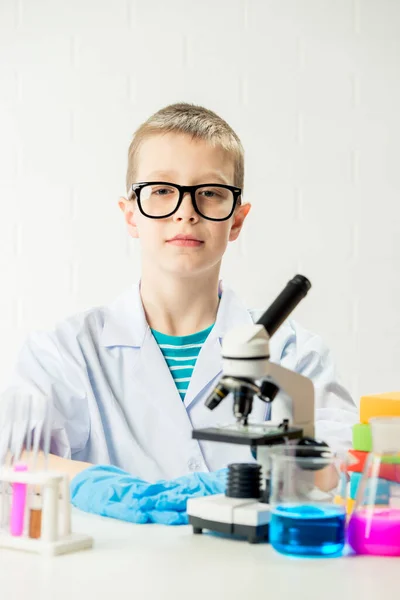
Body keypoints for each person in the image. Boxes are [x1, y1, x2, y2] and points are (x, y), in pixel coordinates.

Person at [8, 103, 357, 482]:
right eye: (161, 189)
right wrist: (104, 488)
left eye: (209, 192)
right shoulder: (65, 351)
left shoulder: (297, 355)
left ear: (237, 219)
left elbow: (344, 463)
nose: (186, 211)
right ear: (131, 216)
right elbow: (17, 458)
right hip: (119, 544)